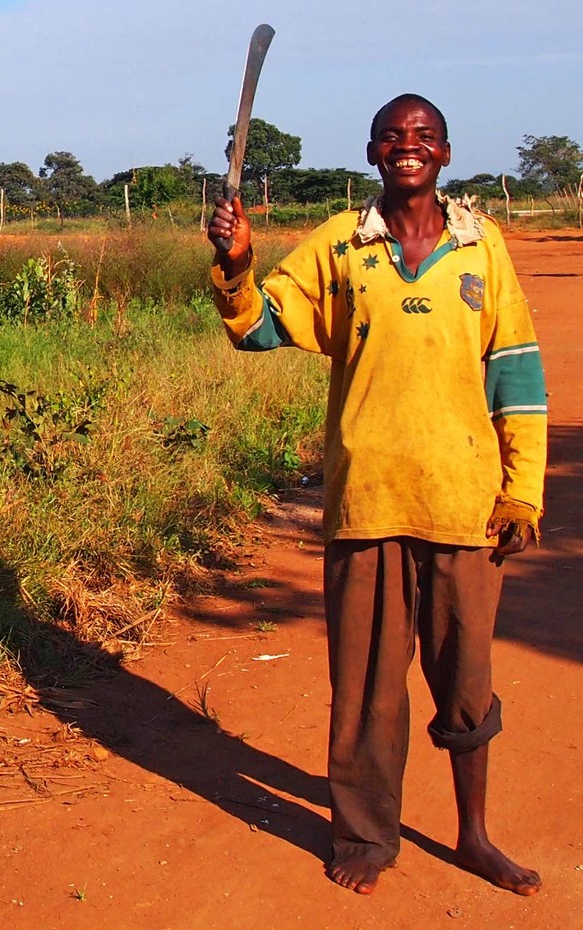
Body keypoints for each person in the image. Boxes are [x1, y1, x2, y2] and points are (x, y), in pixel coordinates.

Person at [206, 93, 546, 897]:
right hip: (368, 503)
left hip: (464, 505)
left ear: (447, 154)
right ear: (370, 152)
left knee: (466, 685)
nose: (408, 147)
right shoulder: (341, 244)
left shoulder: (480, 248)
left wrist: (521, 494)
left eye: (423, 136)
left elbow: (518, 376)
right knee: (364, 691)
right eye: (393, 136)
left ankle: (473, 835)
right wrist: (235, 264)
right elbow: (259, 327)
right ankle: (366, 835)